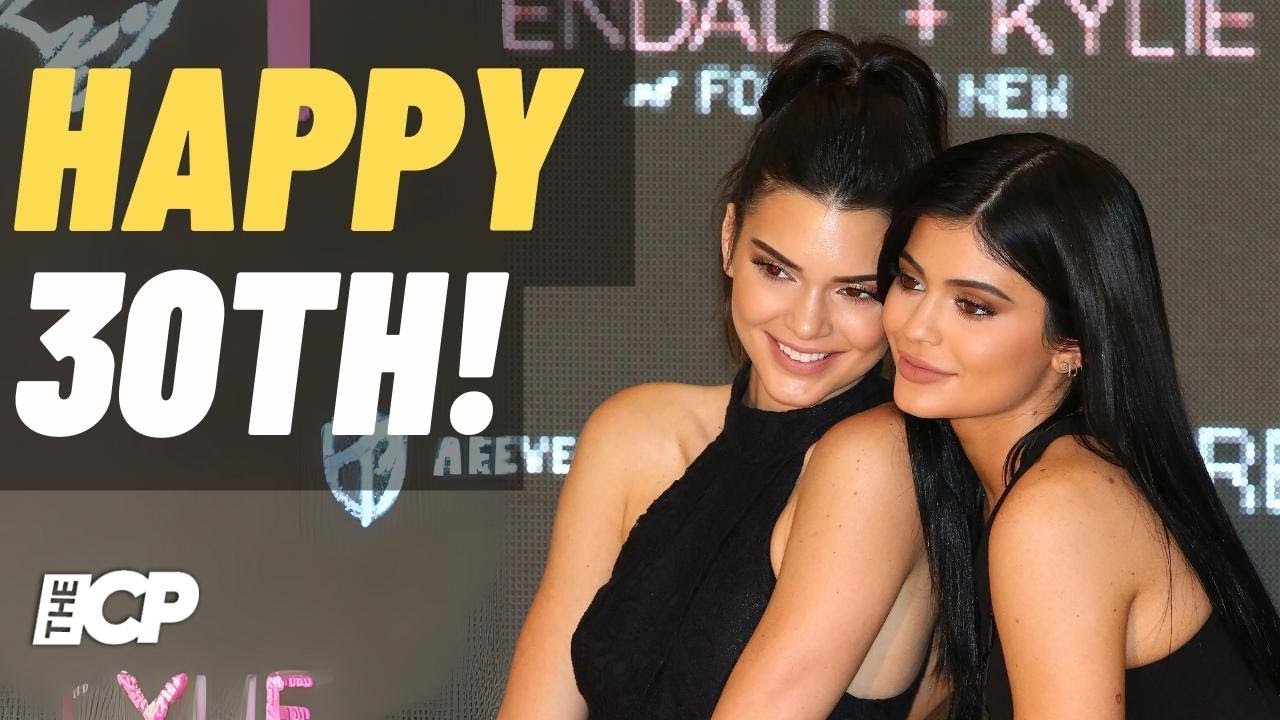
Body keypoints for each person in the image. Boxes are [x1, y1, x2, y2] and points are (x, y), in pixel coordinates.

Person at [498, 29, 955, 720]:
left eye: (856, 291)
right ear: (729, 239)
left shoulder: (880, 462)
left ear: (904, 295)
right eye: (777, 270)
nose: (806, 323)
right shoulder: (634, 433)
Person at [879, 132, 1280, 718]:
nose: (916, 326)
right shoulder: (1033, 476)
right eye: (910, 281)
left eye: (974, 306)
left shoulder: (1057, 509)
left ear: (1073, 341)